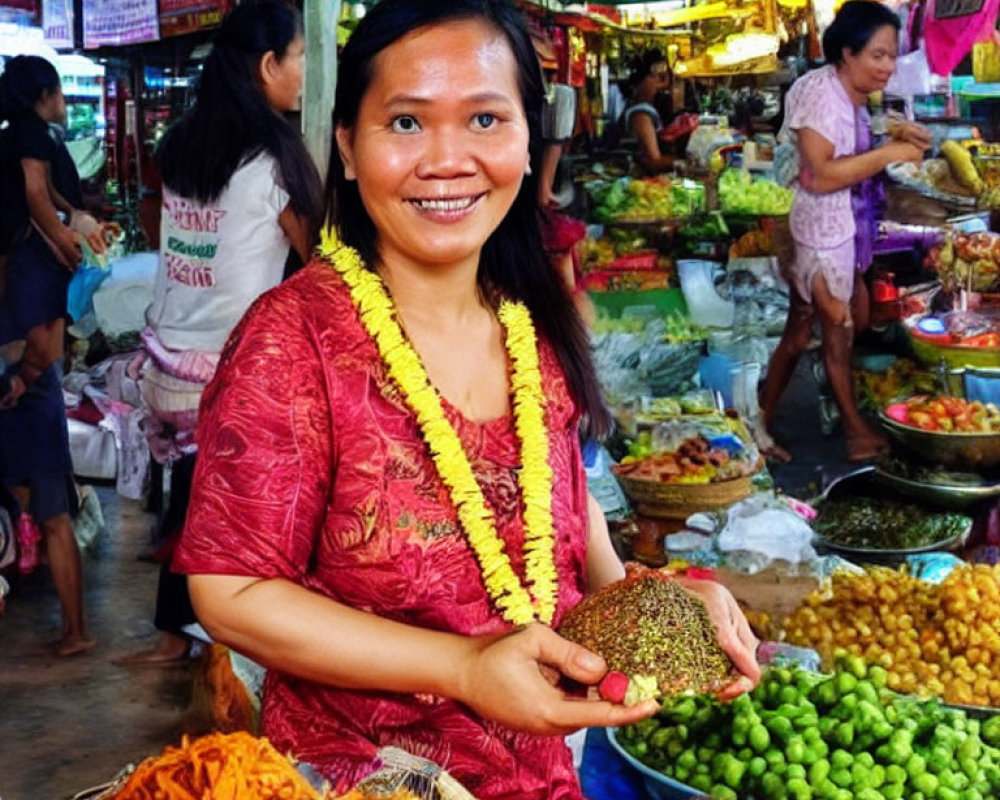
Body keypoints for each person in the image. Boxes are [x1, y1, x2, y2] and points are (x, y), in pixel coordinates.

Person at [174, 1, 761, 797]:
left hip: (544, 772)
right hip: (361, 778)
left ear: (528, 142)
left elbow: (560, 498)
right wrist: (466, 668)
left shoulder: (531, 319)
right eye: (406, 123)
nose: (447, 161)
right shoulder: (292, 340)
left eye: (485, 118)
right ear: (348, 146)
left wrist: (657, 603)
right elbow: (230, 592)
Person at [116, 0, 322, 666]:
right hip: (232, 370)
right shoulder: (275, 153)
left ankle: (179, 628)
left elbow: (157, 222)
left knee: (193, 495)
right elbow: (318, 255)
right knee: (238, 509)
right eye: (301, 58)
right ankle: (226, 633)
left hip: (167, 364)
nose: (305, 73)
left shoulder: (182, 142)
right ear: (268, 64)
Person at [759, 1, 930, 463]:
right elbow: (819, 175)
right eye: (878, 55)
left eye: (892, 56)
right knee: (836, 330)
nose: (888, 67)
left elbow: (845, 149)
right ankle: (853, 431)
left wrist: (893, 136)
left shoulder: (846, 93)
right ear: (847, 53)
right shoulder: (821, 93)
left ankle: (760, 425)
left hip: (829, 228)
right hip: (815, 230)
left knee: (805, 331)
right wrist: (888, 154)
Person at [0, 55, 108, 656]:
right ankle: (75, 629)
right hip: (28, 394)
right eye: (61, 92)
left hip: (23, 390)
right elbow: (42, 194)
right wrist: (65, 237)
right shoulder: (34, 139)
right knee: (52, 513)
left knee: (49, 513)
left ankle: (75, 630)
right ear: (45, 94)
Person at [622, 48, 675, 174]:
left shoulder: (641, 110)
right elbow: (654, 161)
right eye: (657, 78)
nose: (662, 85)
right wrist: (685, 162)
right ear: (641, 81)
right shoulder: (641, 115)